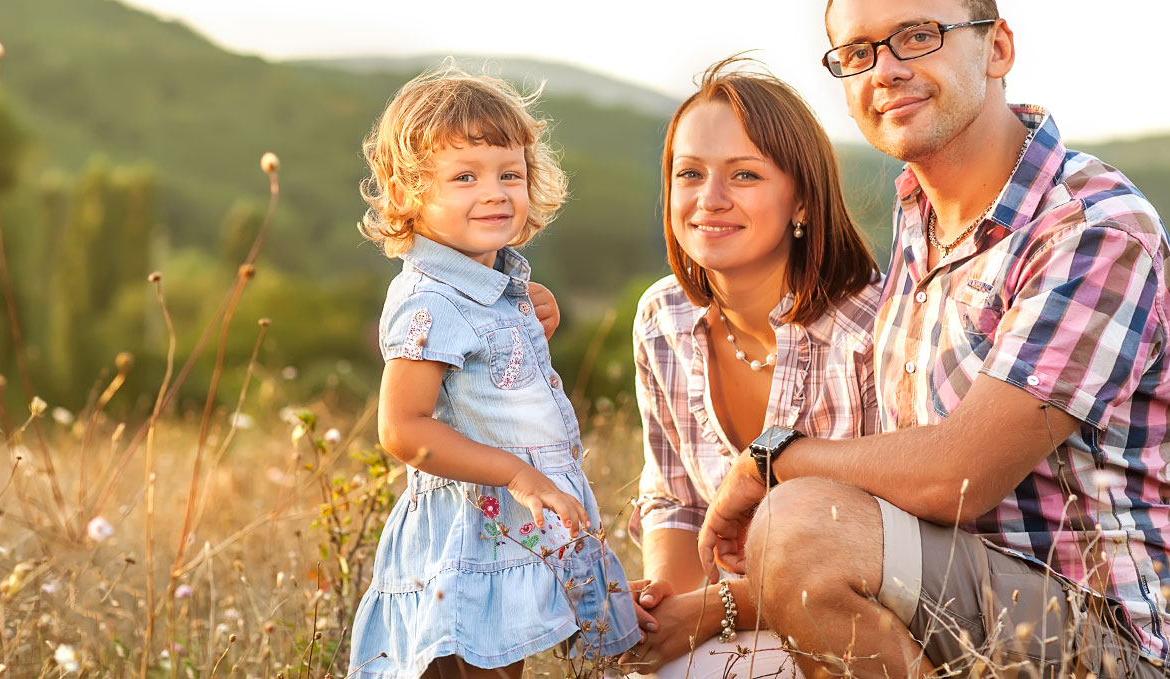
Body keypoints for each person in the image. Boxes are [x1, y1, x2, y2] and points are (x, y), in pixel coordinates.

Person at [697, 1, 1170, 677]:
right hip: (955, 602)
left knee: (800, 528)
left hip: (1102, 636)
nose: (885, 69)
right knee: (712, 662)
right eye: (858, 53)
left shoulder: (1091, 228)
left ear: (998, 48)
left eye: (918, 36)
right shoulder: (920, 218)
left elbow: (959, 475)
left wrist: (769, 463)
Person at [348, 65, 640, 679]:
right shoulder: (429, 300)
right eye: (464, 178)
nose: (495, 192)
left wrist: (533, 319)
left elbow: (490, 382)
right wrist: (518, 475)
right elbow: (404, 430)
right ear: (406, 195)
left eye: (511, 173)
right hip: (467, 528)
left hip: (510, 524)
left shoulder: (498, 287)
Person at [619, 57, 882, 679]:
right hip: (729, 617)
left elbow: (884, 545)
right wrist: (665, 611)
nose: (709, 200)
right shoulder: (662, 318)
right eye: (689, 173)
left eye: (744, 174)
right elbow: (675, 498)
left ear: (804, 201)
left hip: (855, 625)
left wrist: (708, 613)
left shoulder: (868, 329)